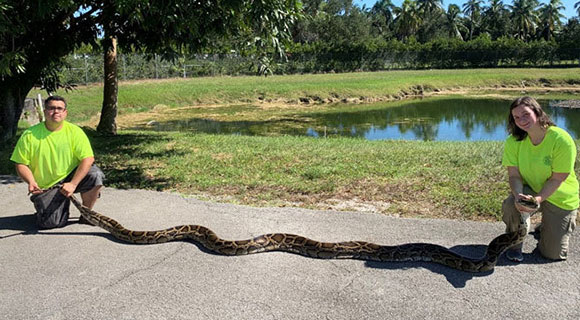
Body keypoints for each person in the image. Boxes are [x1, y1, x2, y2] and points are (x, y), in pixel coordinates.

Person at [501, 96, 578, 262]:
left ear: (537, 111)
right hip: (531, 189)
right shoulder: (514, 141)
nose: (521, 120)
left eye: (526, 114)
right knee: (511, 205)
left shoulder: (561, 139)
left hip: (560, 196)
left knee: (553, 254)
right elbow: (514, 175)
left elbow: (557, 179)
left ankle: (545, 227)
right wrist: (518, 196)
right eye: (516, 117)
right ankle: (514, 245)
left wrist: (537, 199)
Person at [10, 95, 105, 229]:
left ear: (65, 112)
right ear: (44, 111)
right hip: (48, 186)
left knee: (95, 175)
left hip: (70, 178)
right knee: (52, 223)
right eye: (51, 108)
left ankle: (87, 214)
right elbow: (20, 163)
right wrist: (31, 181)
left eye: (60, 108)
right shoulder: (29, 135)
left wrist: (73, 184)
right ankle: (49, 206)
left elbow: (88, 159)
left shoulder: (75, 132)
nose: (56, 112)